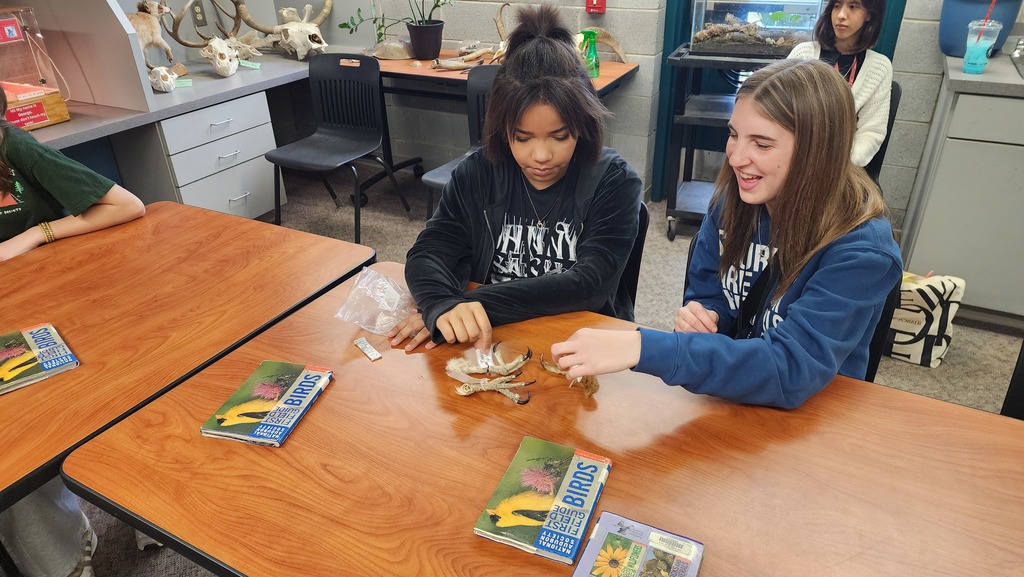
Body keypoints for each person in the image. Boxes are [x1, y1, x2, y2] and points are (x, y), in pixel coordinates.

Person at [551, 59, 903, 410]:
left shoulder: (862, 251)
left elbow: (790, 369)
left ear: (817, 152)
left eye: (762, 144)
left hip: (811, 420)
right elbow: (709, 291)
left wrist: (642, 347)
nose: (735, 158)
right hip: (730, 397)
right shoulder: (732, 201)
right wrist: (707, 314)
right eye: (734, 135)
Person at [388, 4, 642, 352]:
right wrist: (438, 304)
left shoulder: (614, 181)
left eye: (559, 136)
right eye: (522, 138)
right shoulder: (477, 172)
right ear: (502, 130)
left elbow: (589, 285)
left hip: (579, 344)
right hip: (494, 342)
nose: (540, 156)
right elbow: (428, 252)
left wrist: (472, 307)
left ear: (584, 127)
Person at [0, 87, 145, 576]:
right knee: (13, 451)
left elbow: (126, 206)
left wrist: (31, 236)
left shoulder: (13, 146)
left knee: (122, 400)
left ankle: (147, 518)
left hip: (57, 301)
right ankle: (61, 562)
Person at [787, 0, 892, 167]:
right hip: (793, 159)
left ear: (869, 14)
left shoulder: (880, 67)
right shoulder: (803, 54)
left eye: (853, 6)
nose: (841, 15)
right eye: (837, 5)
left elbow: (872, 133)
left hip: (842, 166)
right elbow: (779, 113)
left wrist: (839, 163)